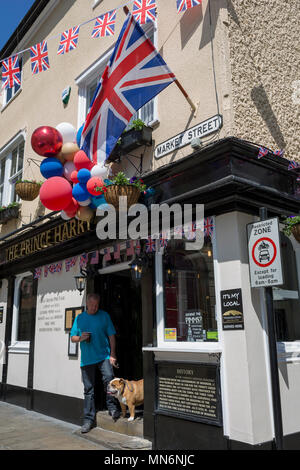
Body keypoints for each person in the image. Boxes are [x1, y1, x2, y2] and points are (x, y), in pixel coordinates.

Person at [70, 293, 120, 433]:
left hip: (103, 356)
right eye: (92, 305)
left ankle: (112, 407)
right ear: (87, 304)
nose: (94, 308)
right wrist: (81, 338)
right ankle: (88, 420)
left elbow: (111, 335)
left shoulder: (104, 316)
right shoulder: (80, 318)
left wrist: (113, 354)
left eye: (96, 305)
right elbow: (72, 338)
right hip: (87, 359)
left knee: (109, 380)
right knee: (88, 389)